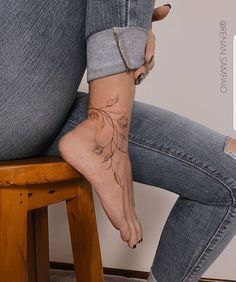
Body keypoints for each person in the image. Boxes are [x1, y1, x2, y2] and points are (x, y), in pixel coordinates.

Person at [1, 1, 236, 281]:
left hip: (28, 111)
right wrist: (132, 29)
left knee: (227, 174)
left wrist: (131, 24)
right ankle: (106, 133)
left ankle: (105, 129)